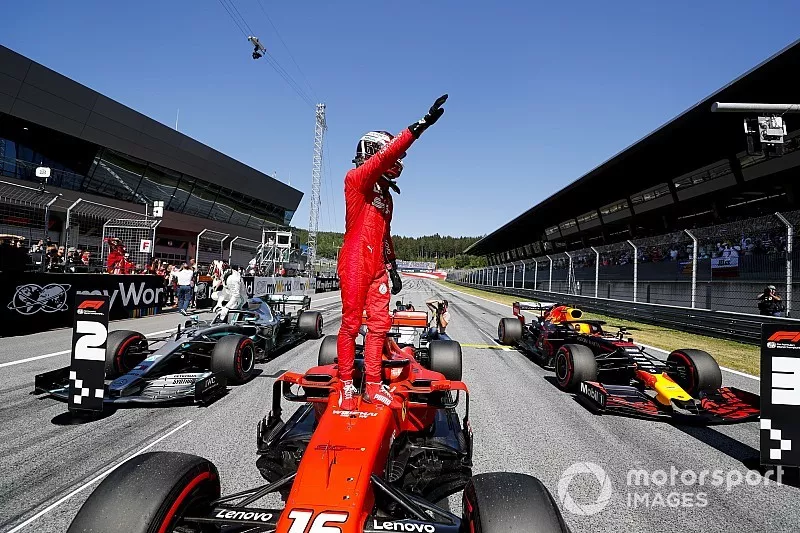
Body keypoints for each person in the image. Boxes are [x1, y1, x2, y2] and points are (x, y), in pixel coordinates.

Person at [336, 94, 448, 411]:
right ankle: (346, 384)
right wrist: (419, 128)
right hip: (355, 260)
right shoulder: (355, 180)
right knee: (351, 324)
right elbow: (388, 156)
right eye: (387, 153)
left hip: (376, 265)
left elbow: (384, 234)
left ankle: (372, 385)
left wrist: (393, 266)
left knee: (380, 326)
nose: (397, 162)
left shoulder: (386, 196)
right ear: (374, 152)